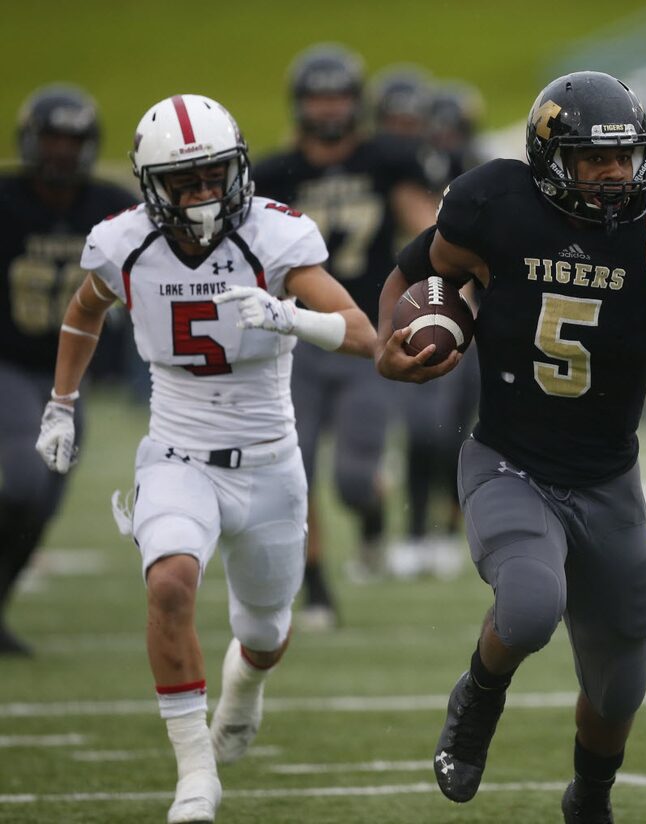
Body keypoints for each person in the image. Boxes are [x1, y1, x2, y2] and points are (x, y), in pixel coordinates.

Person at [375, 71, 646, 822]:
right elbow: (412, 274)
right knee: (532, 604)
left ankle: (588, 797)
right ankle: (478, 699)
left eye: (625, 157)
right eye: (592, 159)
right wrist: (389, 345)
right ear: (547, 158)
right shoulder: (494, 203)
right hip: (512, 461)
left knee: (619, 683)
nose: (613, 175)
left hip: (607, 479)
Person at [35, 93, 375, 824]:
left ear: (238, 169)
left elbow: (361, 333)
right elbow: (84, 309)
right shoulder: (122, 242)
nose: (202, 193)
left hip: (269, 461)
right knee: (170, 583)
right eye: (184, 182)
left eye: (215, 175)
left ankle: (244, 688)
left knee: (263, 633)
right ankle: (195, 776)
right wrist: (62, 401)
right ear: (153, 187)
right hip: (177, 452)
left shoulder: (275, 236)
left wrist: (289, 315)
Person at [253, 43, 436, 629]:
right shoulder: (277, 172)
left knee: (355, 477)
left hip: (365, 337)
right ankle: (318, 589)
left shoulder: (387, 159)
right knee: (295, 471)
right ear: (300, 104)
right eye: (318, 97)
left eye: (338, 97)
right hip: (298, 341)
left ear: (357, 103)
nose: (329, 109)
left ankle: (373, 516)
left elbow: (424, 221)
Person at [0, 84, 136, 655]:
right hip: (9, 363)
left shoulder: (108, 204)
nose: (60, 152)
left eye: (72, 141)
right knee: (24, 481)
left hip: (68, 377)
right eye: (51, 139)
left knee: (45, 503)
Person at [382, 79, 486, 580]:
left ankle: (447, 529)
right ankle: (413, 530)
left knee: (455, 434)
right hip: (418, 308)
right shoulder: (399, 171)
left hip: (468, 313)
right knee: (423, 433)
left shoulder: (479, 172)